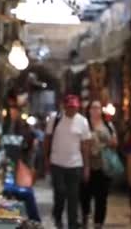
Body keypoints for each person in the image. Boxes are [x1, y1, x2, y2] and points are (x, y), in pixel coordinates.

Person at [45, 95, 92, 229]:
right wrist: (46, 158)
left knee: (73, 196)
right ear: (64, 106)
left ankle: (72, 224)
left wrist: (87, 166)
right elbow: (47, 139)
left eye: (75, 107)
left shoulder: (82, 121)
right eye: (70, 107)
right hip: (57, 163)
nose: (72, 110)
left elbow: (85, 145)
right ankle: (58, 216)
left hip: (75, 164)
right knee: (60, 192)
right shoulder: (55, 119)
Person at [80, 100, 118, 229]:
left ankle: (98, 223)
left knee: (102, 197)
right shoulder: (84, 125)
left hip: (103, 166)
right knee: (85, 195)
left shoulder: (108, 125)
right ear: (89, 110)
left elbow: (115, 142)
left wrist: (106, 143)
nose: (96, 110)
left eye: (98, 108)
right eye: (93, 107)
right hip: (87, 165)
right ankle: (85, 217)